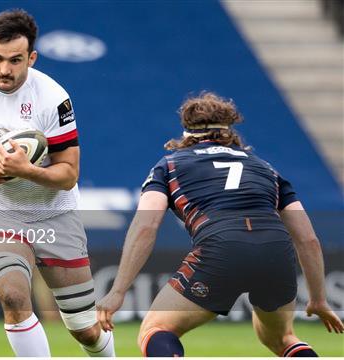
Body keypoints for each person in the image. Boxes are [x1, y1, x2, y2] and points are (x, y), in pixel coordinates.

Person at [96, 92, 343, 356]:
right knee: (283, 338)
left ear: (186, 133)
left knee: (155, 330)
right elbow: (308, 239)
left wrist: (118, 291)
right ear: (229, 131)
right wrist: (318, 299)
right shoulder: (266, 169)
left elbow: (145, 226)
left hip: (221, 247)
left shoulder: (169, 165)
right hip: (276, 250)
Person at [0, 9, 115, 357]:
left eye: (16, 60)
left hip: (54, 215)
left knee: (85, 329)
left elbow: (68, 175)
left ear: (31, 57)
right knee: (14, 297)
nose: (5, 69)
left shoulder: (53, 98)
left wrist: (25, 170)